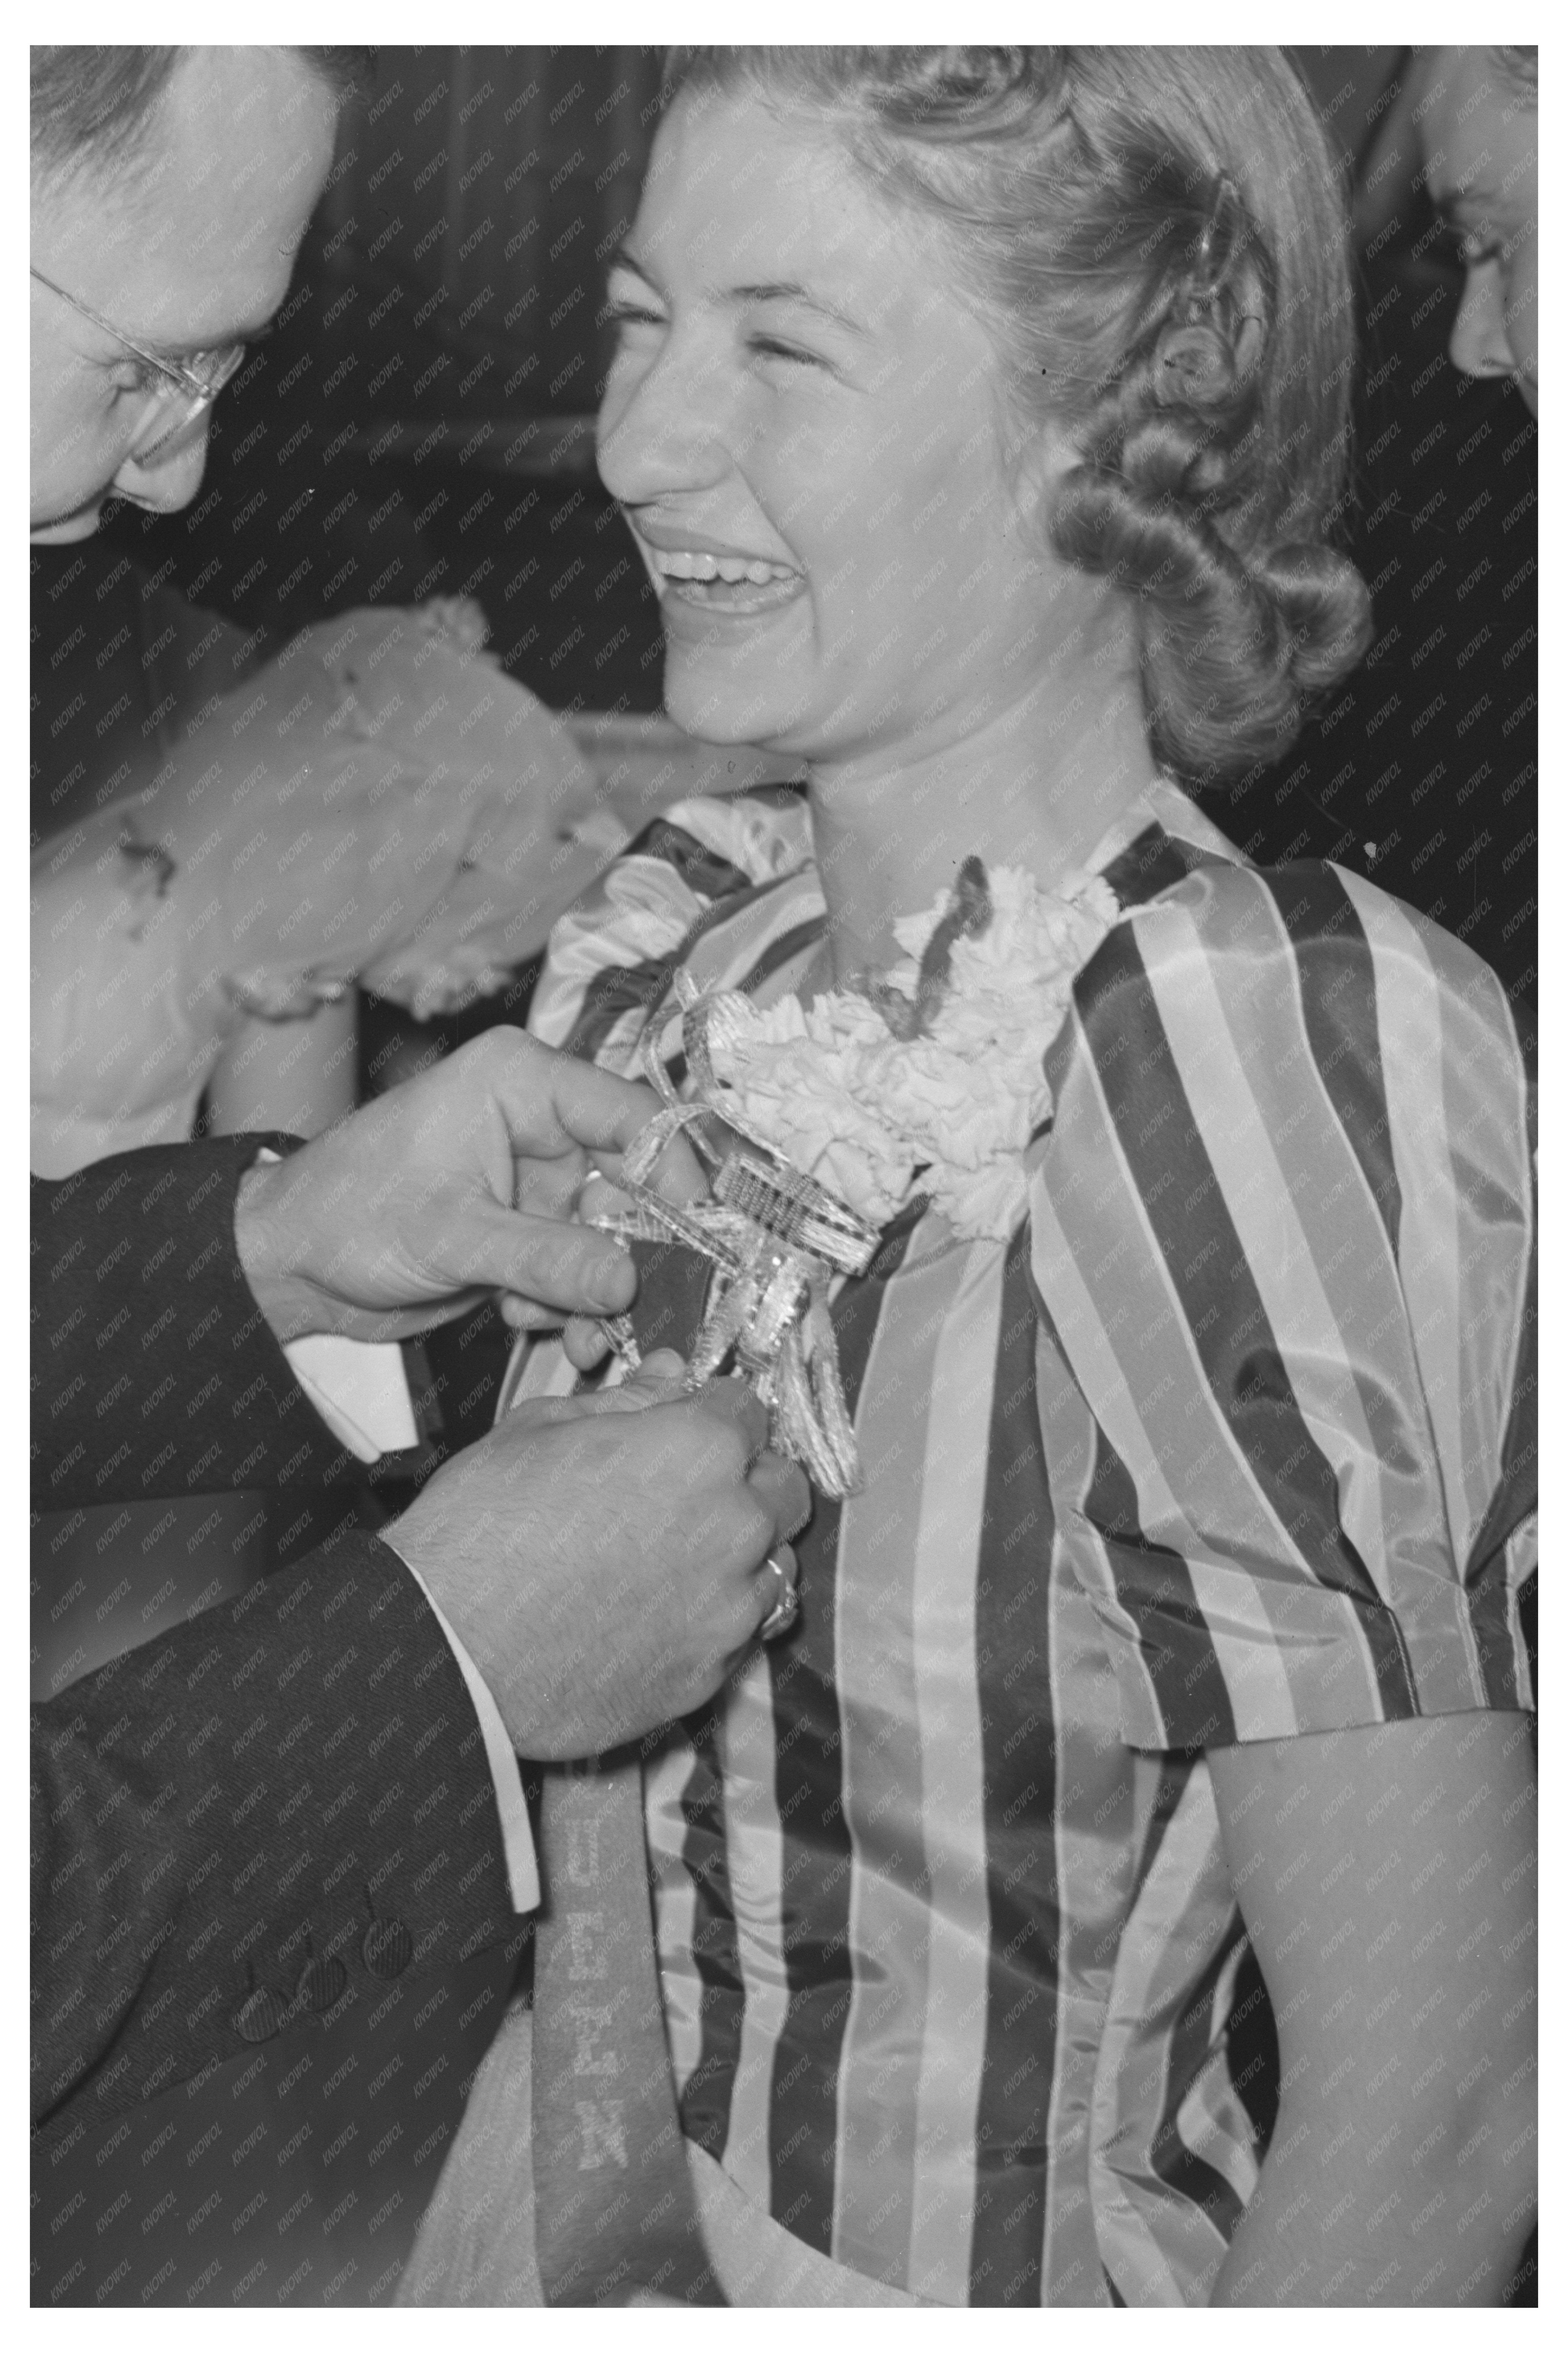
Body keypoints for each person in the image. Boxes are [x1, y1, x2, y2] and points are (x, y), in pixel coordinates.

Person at [401, 47, 1537, 2308]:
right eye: (639, 322)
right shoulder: (674, 948)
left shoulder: (1234, 1039)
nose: (639, 444)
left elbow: (1452, 2099)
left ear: (1112, 436)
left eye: (779, 346)